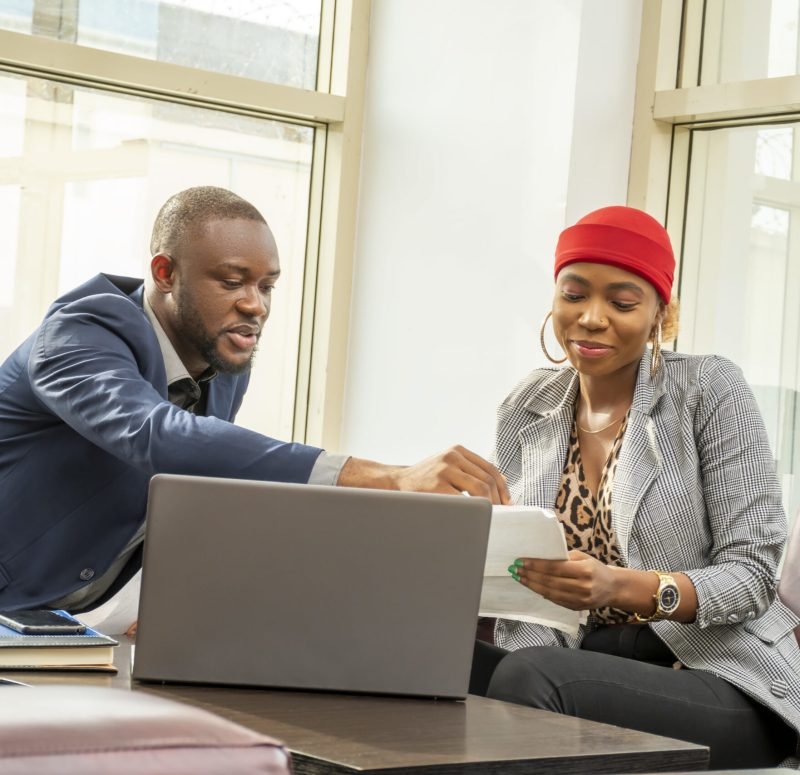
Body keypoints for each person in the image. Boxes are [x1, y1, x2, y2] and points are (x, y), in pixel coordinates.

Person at [0, 186, 508, 615]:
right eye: (232, 281)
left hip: (71, 620)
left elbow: (196, 488)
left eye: (268, 286)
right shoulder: (78, 336)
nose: (255, 304)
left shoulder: (221, 364)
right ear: (164, 273)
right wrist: (388, 477)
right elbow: (157, 437)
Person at [475, 206, 800, 768]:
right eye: (574, 295)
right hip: (582, 659)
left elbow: (752, 577)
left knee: (534, 681)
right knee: (419, 663)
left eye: (622, 302)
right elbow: (529, 583)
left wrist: (624, 589)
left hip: (719, 675)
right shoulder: (528, 405)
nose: (592, 318)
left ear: (659, 316)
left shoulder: (708, 390)